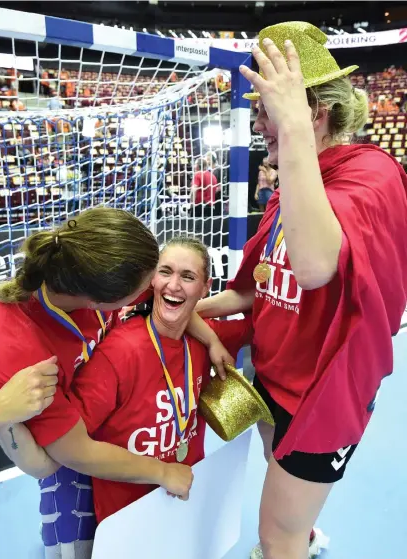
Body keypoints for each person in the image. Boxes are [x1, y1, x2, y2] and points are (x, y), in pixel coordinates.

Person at [196, 22, 407, 559]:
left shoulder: (371, 174)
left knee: (275, 536)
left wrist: (289, 131)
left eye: (268, 107)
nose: (259, 122)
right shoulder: (291, 185)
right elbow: (257, 289)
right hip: (272, 378)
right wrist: (181, 309)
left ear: (314, 110)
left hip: (323, 399)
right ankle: (304, 533)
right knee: (277, 476)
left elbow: (313, 267)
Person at [0, 208, 231, 559]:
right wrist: (162, 470)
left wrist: (210, 339)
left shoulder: (89, 268)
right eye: (146, 283)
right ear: (100, 304)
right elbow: (59, 457)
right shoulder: (20, 347)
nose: (155, 287)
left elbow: (172, 300)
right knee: (79, 542)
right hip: (59, 448)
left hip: (98, 428)